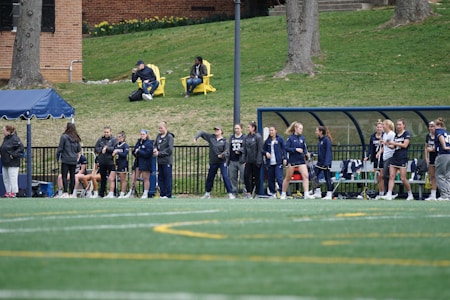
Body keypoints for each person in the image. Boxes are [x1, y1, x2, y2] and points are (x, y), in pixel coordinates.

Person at [194, 126, 235, 199]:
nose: (216, 131)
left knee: (225, 176)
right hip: (213, 161)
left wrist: (222, 155)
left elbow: (227, 151)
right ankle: (207, 193)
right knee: (210, 177)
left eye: (217, 130)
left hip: (222, 162)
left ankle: (230, 193)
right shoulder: (211, 137)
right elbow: (202, 132)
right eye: (215, 130)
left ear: (221, 131)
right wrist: (196, 137)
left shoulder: (224, 141)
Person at [280, 122, 313, 200]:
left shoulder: (302, 138)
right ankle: (283, 193)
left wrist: (306, 154)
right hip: (292, 161)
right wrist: (295, 149)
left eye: (302, 129)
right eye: (300, 128)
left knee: (305, 176)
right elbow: (286, 148)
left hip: (301, 161)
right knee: (288, 178)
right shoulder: (290, 138)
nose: (301, 130)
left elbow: (304, 148)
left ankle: (306, 193)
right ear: (296, 129)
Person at [384, 119, 413, 201]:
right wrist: (387, 144)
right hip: (395, 157)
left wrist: (394, 143)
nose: (398, 126)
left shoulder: (406, 134)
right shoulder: (396, 135)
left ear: (404, 125)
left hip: (402, 158)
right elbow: (393, 147)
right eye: (397, 125)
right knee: (391, 176)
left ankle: (410, 193)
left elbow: (405, 145)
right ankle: (389, 194)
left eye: (400, 124)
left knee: (403, 178)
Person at [56, 123, 82, 198]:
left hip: (65, 159)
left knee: (64, 176)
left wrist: (57, 157)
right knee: (72, 176)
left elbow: (60, 148)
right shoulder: (76, 138)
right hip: (73, 160)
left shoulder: (64, 137)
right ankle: (72, 193)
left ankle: (65, 192)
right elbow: (78, 149)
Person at [0, 125, 25, 198]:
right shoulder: (6, 139)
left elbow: (21, 148)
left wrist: (13, 155)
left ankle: (14, 192)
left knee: (12, 177)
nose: (3, 132)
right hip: (5, 161)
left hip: (13, 162)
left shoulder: (15, 139)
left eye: (4, 130)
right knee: (6, 178)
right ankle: (8, 191)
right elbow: (4, 148)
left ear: (8, 131)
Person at [94, 126, 118, 198]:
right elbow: (96, 148)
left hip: (110, 161)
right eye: (105, 132)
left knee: (112, 178)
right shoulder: (100, 140)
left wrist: (107, 148)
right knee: (103, 178)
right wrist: (102, 149)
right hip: (102, 161)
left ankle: (113, 193)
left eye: (107, 132)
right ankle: (101, 194)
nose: (106, 133)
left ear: (110, 132)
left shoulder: (114, 140)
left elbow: (115, 148)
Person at [242, 121, 264, 198]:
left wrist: (258, 161)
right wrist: (244, 159)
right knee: (246, 176)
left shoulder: (258, 137)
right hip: (248, 160)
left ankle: (257, 193)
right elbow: (244, 149)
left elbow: (260, 149)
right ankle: (249, 192)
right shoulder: (246, 137)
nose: (248, 128)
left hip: (255, 160)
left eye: (249, 127)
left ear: (253, 128)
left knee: (256, 177)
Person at [364, 119, 384, 198]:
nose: (379, 128)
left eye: (380, 127)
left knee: (382, 176)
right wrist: (367, 156)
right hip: (375, 158)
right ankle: (380, 192)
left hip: (382, 158)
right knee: (377, 176)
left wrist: (380, 153)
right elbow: (370, 148)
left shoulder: (384, 136)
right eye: (377, 127)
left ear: (382, 128)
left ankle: (383, 192)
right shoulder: (373, 136)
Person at [154, 121, 174, 199]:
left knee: (167, 178)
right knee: (160, 178)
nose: (160, 130)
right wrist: (155, 149)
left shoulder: (169, 137)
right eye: (159, 128)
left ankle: (168, 195)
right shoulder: (158, 136)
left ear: (165, 128)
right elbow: (155, 144)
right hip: (159, 161)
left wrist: (159, 153)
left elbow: (169, 150)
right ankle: (162, 194)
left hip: (167, 161)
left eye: (161, 128)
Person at [263, 125, 285, 198]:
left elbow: (284, 149)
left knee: (279, 178)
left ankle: (282, 192)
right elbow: (263, 150)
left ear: (276, 131)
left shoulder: (280, 139)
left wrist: (285, 158)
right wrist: (266, 153)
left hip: (278, 162)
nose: (271, 132)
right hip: (270, 163)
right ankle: (273, 193)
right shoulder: (267, 141)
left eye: (272, 130)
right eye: (270, 130)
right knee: (270, 179)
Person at [132, 129, 154, 199]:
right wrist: (135, 152)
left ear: (146, 135)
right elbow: (134, 150)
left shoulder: (149, 143)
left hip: (145, 163)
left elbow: (148, 153)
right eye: (141, 134)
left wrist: (139, 151)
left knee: (145, 178)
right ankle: (131, 191)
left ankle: (145, 193)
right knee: (133, 178)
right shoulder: (138, 142)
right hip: (138, 162)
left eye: (143, 134)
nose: (142, 136)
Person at [314, 126, 333, 200]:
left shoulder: (326, 140)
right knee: (314, 176)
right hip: (320, 163)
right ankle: (318, 192)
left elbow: (328, 152)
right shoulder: (320, 140)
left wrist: (327, 163)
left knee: (327, 178)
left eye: (316, 130)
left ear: (321, 132)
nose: (315, 132)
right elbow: (321, 152)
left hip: (325, 163)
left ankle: (329, 194)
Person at [379, 119, 396, 200]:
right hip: (385, 156)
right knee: (385, 175)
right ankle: (388, 192)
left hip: (390, 156)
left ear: (388, 126)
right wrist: (380, 151)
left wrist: (386, 143)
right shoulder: (384, 134)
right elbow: (384, 145)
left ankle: (392, 192)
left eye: (384, 124)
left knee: (387, 175)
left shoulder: (392, 134)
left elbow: (393, 145)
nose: (382, 126)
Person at [228, 123, 246, 197]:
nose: (236, 130)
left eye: (238, 128)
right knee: (232, 177)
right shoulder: (232, 137)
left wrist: (240, 150)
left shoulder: (244, 137)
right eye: (235, 128)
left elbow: (246, 147)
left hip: (241, 161)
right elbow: (229, 147)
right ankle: (234, 193)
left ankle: (246, 193)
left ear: (241, 129)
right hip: (232, 160)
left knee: (243, 178)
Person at [434, 118, 450, 200]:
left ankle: (444, 195)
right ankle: (448, 194)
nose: (433, 128)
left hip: (443, 154)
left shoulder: (438, 131)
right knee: (448, 176)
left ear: (439, 125)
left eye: (434, 126)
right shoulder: (447, 132)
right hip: (449, 155)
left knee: (439, 175)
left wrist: (444, 146)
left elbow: (440, 136)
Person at [111, 131, 129, 198]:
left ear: (123, 138)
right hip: (116, 163)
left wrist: (118, 152)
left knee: (122, 179)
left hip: (122, 164)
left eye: (119, 137)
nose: (118, 138)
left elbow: (124, 154)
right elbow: (113, 153)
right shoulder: (116, 145)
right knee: (111, 178)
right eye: (117, 137)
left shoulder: (125, 145)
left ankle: (122, 193)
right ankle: (111, 193)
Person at [424, 121, 437, 200]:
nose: (431, 128)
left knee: (440, 176)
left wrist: (432, 149)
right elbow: (426, 147)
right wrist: (426, 158)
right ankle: (433, 194)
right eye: (430, 126)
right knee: (432, 176)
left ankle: (445, 193)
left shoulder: (438, 135)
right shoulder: (428, 136)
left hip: (438, 157)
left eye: (432, 126)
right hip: (431, 158)